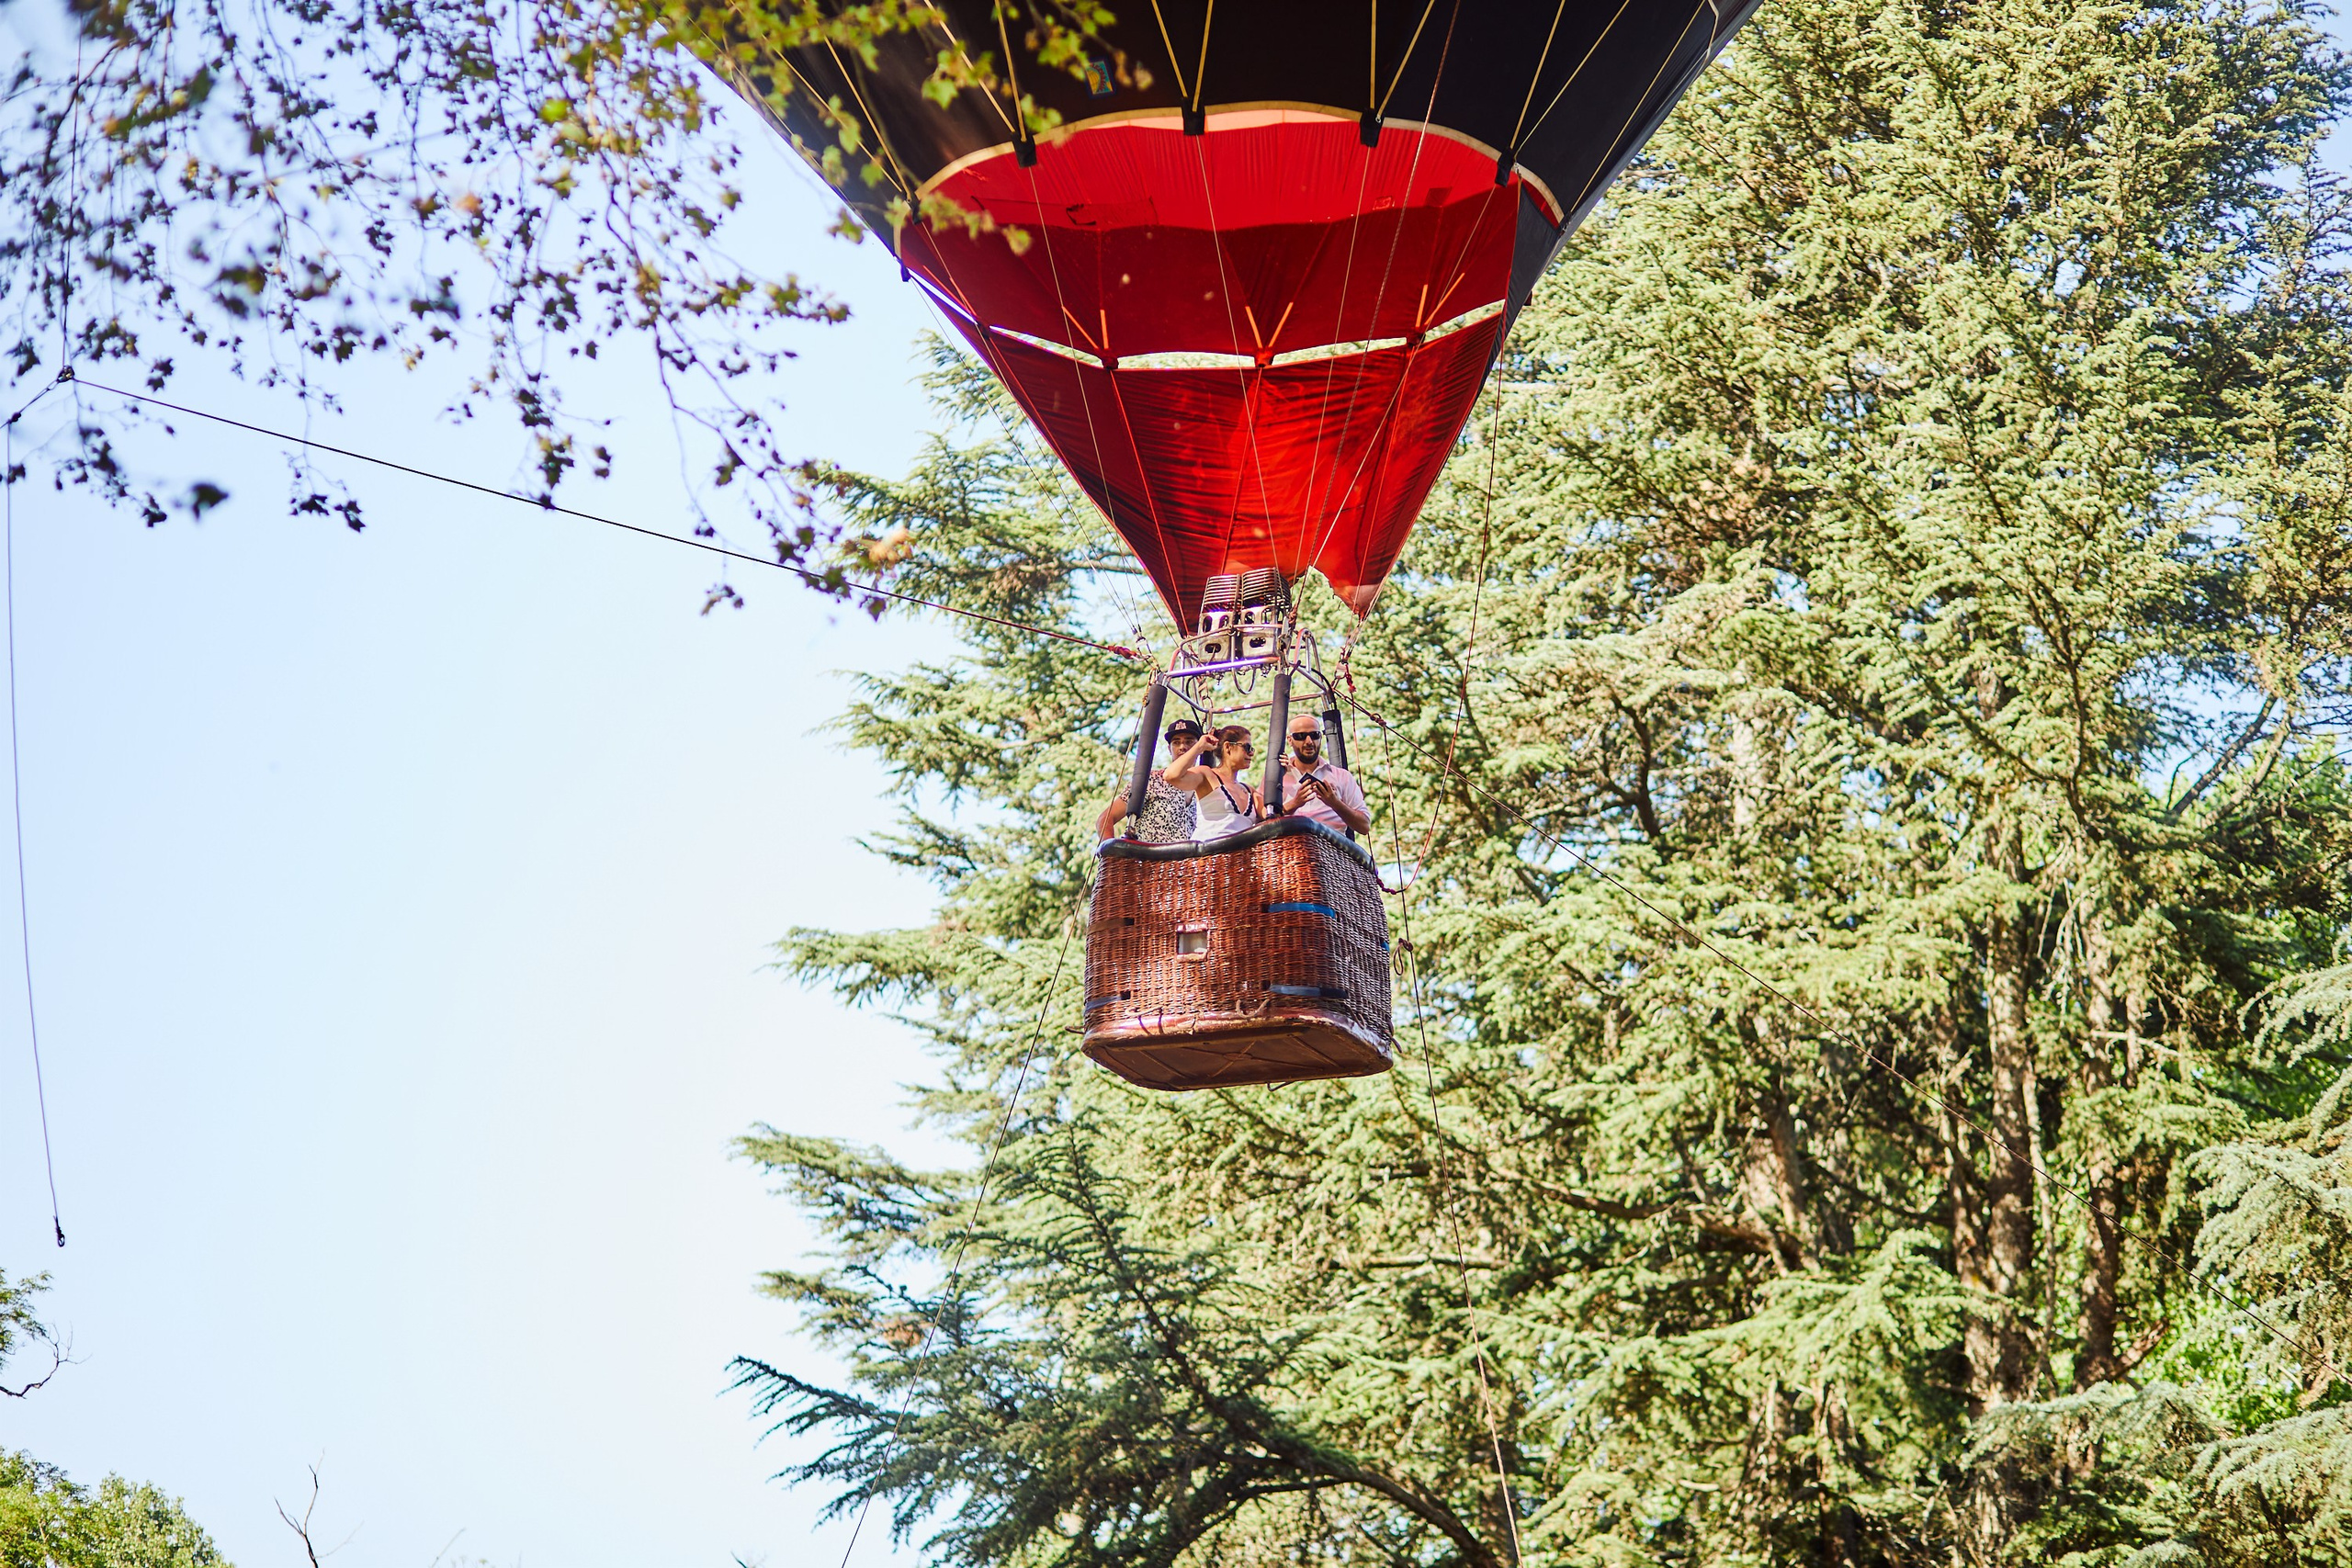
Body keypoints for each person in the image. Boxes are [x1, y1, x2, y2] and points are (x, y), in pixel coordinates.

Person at [1097, 718, 1204, 842]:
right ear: (1169, 749)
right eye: (1176, 742)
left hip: (1187, 860)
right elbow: (1105, 819)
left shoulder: (1204, 788)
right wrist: (1110, 852)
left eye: (1189, 741)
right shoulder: (1152, 781)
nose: (1182, 747)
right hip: (1150, 860)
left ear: (1199, 747)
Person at [1274, 713, 1370, 835]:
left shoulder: (1342, 776)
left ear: (1320, 737)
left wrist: (1335, 803)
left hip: (1330, 850)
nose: (1309, 741)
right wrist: (1294, 804)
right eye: (1301, 736)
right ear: (1289, 740)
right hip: (1290, 849)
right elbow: (1262, 818)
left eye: (1314, 735)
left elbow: (1364, 826)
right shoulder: (1277, 776)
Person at [1164, 724, 1261, 841]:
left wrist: (1284, 769)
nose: (1251, 753)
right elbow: (1171, 776)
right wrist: (1200, 746)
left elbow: (1275, 814)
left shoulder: (1249, 790)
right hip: (1208, 855)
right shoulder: (1207, 775)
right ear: (1228, 747)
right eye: (1247, 747)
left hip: (1239, 858)